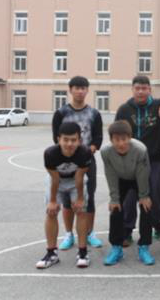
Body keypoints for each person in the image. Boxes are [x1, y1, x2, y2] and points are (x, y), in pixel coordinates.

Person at [115, 75, 160, 245]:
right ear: (132, 90)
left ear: (149, 90)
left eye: (144, 88)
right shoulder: (124, 109)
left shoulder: (158, 105)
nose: (140, 92)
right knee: (130, 197)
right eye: (137, 88)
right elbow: (116, 133)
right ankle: (127, 230)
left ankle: (158, 227)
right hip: (130, 161)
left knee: (156, 194)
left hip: (154, 160)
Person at [51, 76, 103, 250]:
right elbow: (56, 138)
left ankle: (89, 233)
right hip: (65, 163)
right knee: (67, 199)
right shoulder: (61, 113)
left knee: (89, 198)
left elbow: (97, 138)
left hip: (87, 161)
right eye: (77, 88)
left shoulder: (94, 114)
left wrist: (87, 152)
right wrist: (69, 152)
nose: (80, 91)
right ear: (70, 90)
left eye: (83, 88)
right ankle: (68, 234)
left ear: (87, 90)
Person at [36, 122, 91, 269]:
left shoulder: (85, 152)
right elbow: (55, 179)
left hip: (75, 181)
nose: (69, 144)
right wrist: (53, 201)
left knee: (81, 211)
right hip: (57, 181)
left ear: (79, 140)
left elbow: (79, 177)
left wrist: (80, 199)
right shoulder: (50, 153)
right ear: (58, 139)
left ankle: (83, 252)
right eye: (65, 140)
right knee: (51, 212)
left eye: (73, 140)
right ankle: (51, 253)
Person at [101, 121, 155, 266]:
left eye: (124, 139)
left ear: (130, 137)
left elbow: (143, 173)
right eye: (116, 140)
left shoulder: (140, 149)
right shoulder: (106, 152)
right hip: (120, 179)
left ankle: (144, 247)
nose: (121, 143)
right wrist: (114, 198)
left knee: (146, 207)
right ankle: (116, 247)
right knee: (115, 208)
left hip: (139, 178)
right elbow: (110, 174)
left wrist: (143, 196)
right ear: (111, 140)